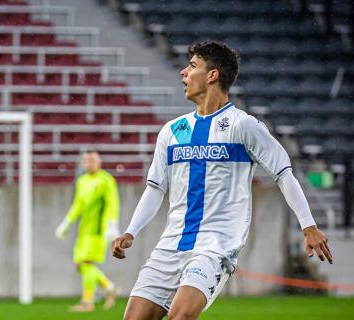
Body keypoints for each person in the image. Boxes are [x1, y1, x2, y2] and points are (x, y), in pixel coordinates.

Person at [110, 40, 333, 320]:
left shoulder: (243, 125)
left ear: (213, 75)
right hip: (170, 244)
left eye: (192, 66)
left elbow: (283, 172)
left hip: (215, 246)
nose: (183, 73)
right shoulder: (172, 130)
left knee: (180, 317)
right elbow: (155, 188)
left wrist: (309, 225)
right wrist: (130, 231)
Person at [55, 150, 121, 312]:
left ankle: (88, 302)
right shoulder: (82, 181)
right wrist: (66, 223)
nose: (89, 163)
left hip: (98, 230)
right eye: (86, 160)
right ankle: (109, 287)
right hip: (84, 230)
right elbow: (78, 204)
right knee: (81, 264)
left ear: (99, 162)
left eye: (92, 160)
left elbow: (112, 203)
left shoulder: (106, 179)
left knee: (86, 263)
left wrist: (112, 225)